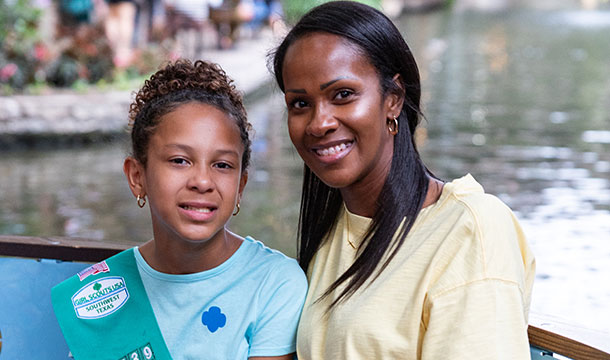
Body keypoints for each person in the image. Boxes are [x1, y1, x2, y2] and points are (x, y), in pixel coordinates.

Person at [270, 1, 535, 359]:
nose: (320, 123)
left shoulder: (470, 231)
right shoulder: (336, 225)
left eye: (343, 95)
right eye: (300, 104)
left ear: (393, 99)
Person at [52, 59, 307, 360]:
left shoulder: (273, 284)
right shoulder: (98, 294)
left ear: (240, 186)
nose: (202, 181)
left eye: (222, 165)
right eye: (179, 160)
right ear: (137, 177)